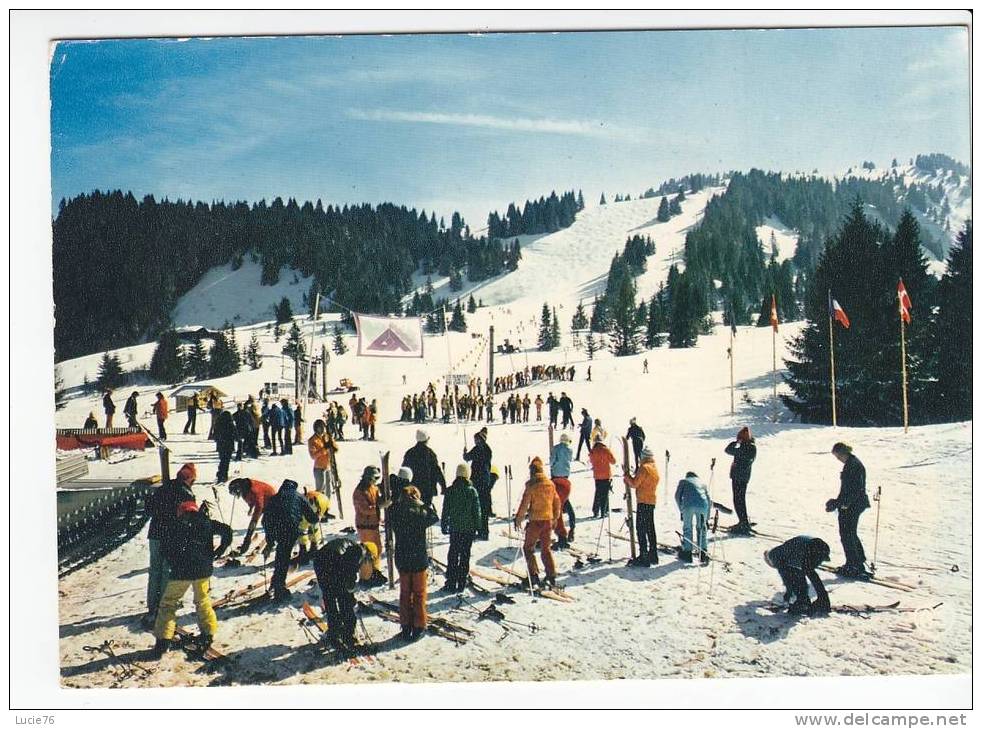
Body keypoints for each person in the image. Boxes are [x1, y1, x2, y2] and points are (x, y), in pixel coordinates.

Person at [152, 500, 232, 656]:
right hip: (203, 570)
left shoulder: (174, 525)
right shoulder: (206, 522)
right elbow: (227, 531)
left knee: (168, 604)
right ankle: (208, 633)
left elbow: (164, 549)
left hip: (181, 572)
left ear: (181, 512)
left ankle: (163, 642)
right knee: (203, 601)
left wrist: (173, 561)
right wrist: (220, 549)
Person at [142, 462, 196, 628]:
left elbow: (148, 508)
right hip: (171, 536)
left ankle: (152, 607)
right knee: (167, 570)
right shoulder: (186, 493)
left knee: (154, 570)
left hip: (155, 534)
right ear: (190, 479)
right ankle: (163, 606)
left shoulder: (162, 488)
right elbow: (189, 517)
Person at [389, 485, 439, 641]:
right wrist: (422, 504)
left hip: (402, 558)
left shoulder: (395, 512)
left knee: (405, 594)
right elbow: (434, 517)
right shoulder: (420, 513)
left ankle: (405, 625)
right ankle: (418, 625)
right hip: (418, 558)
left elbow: (389, 514)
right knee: (419, 594)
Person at [313, 537, 374, 652]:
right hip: (332, 564)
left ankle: (334, 633)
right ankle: (348, 634)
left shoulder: (351, 545)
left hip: (320, 562)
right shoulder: (360, 552)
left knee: (329, 598)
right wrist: (350, 592)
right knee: (344, 600)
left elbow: (347, 569)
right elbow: (349, 572)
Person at [262, 479, 318, 601]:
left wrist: (269, 540)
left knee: (281, 555)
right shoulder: (299, 497)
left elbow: (265, 519)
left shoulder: (275, 498)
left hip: (274, 528)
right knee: (283, 557)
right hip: (290, 529)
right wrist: (316, 516)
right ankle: (279, 588)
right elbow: (312, 517)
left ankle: (277, 582)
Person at [514, 457, 561, 588]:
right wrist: (555, 518)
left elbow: (524, 504)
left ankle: (533, 575)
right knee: (546, 549)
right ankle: (551, 575)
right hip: (548, 521)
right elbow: (557, 502)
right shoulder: (550, 484)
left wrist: (518, 519)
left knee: (528, 548)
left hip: (535, 521)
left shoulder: (531, 485)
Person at [826, 442, 871, 578]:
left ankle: (854, 565)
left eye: (837, 456)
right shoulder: (851, 463)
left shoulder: (853, 465)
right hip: (852, 504)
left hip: (853, 505)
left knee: (847, 534)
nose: (837, 459)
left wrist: (844, 503)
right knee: (849, 533)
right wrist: (838, 502)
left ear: (842, 453)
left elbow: (856, 488)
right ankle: (857, 561)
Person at [440, 463, 482, 593]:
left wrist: (444, 524)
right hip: (468, 529)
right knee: (465, 555)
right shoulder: (472, 491)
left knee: (453, 554)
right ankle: (461, 583)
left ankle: (451, 582)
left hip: (455, 528)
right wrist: (478, 527)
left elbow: (445, 509)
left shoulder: (451, 490)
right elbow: (477, 511)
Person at [765, 536, 832, 616]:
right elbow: (801, 574)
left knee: (801, 575)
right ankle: (813, 601)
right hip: (818, 545)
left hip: (811, 548)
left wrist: (790, 592)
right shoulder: (787, 553)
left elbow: (788, 578)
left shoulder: (776, 557)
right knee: (802, 575)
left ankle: (808, 602)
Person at [623, 447, 661, 566]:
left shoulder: (644, 468)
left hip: (643, 501)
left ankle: (643, 555)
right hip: (651, 500)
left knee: (641, 528)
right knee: (650, 528)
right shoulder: (654, 467)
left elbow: (635, 483)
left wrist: (627, 477)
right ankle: (653, 554)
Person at [227, 477, 278, 554]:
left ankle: (271, 543)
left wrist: (249, 534)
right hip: (262, 500)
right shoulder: (245, 488)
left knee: (267, 522)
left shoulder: (255, 490)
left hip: (271, 501)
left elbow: (259, 506)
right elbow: (251, 499)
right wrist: (251, 507)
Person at [352, 466, 388, 570]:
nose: (376, 481)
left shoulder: (374, 488)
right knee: (369, 551)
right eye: (375, 478)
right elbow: (365, 509)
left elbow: (376, 501)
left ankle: (375, 570)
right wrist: (380, 506)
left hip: (374, 524)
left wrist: (384, 498)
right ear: (368, 477)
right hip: (365, 526)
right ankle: (368, 574)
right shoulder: (359, 492)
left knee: (378, 549)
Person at [402, 429, 447, 509]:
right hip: (427, 488)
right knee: (425, 510)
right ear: (426, 439)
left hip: (413, 488)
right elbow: (436, 471)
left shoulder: (410, 453)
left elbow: (404, 471)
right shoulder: (430, 453)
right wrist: (443, 486)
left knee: (413, 509)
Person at [725, 426, 757, 534]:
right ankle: (743, 521)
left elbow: (728, 450)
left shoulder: (747, 448)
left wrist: (736, 443)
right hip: (741, 477)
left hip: (739, 477)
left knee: (738, 500)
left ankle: (743, 522)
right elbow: (729, 451)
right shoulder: (750, 447)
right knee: (739, 500)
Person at [675, 471, 711, 565]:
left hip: (688, 506)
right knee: (701, 528)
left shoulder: (683, 481)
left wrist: (681, 510)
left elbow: (677, 496)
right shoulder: (702, 483)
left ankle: (687, 553)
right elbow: (709, 500)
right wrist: (707, 518)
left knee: (688, 528)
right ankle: (703, 552)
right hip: (703, 506)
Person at [463, 427, 493, 539]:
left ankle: (479, 529)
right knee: (483, 506)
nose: (475, 441)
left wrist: (465, 453)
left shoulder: (477, 449)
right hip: (486, 479)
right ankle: (484, 531)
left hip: (477, 479)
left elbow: (467, 458)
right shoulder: (488, 449)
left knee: (476, 506)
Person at [549, 432, 575, 549]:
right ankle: (572, 528)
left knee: (555, 507)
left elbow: (551, 462)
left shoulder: (555, 448)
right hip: (566, 479)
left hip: (555, 479)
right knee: (566, 504)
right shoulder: (569, 450)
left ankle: (561, 534)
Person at [298, 488, 331, 564]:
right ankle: (314, 548)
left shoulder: (304, 510)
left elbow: (302, 531)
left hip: (319, 504)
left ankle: (305, 551)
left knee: (303, 528)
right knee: (314, 527)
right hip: (323, 501)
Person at [588, 435, 617, 518]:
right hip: (606, 475)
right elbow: (613, 461)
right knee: (605, 494)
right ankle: (604, 511)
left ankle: (595, 511)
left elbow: (591, 461)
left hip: (597, 475)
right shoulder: (606, 450)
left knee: (598, 493)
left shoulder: (593, 451)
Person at [307, 419, 337, 495]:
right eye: (320, 427)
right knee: (320, 490)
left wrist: (333, 446)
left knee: (328, 490)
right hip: (319, 468)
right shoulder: (312, 440)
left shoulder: (327, 437)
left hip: (328, 467)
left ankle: (327, 505)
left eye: (323, 427)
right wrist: (324, 449)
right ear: (316, 428)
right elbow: (313, 456)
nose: (323, 429)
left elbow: (336, 449)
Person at [213, 409, 236, 483]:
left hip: (221, 445)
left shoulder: (218, 423)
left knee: (222, 460)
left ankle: (220, 474)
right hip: (229, 445)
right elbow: (235, 433)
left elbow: (215, 435)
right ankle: (224, 475)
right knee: (226, 461)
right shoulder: (230, 424)